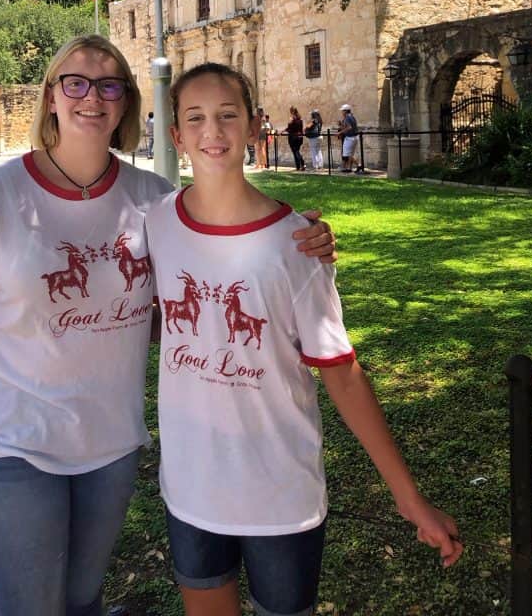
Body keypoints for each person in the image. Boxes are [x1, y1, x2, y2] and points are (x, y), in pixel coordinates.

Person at [0, 35, 337, 616]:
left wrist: (300, 237)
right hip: (8, 443)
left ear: (126, 103)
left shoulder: (151, 200)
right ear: (51, 96)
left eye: (110, 84)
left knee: (82, 603)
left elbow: (197, 282)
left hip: (109, 446)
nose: (92, 96)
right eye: (75, 82)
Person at [148, 63, 462, 616]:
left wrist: (409, 498)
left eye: (228, 115)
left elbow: (340, 371)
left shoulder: (295, 244)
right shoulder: (156, 226)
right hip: (191, 488)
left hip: (279, 494)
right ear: (176, 135)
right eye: (195, 118)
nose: (212, 131)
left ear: (253, 128)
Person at [337, 104, 359, 173]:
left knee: (346, 153)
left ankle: (358, 165)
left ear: (346, 111)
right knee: (350, 154)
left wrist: (340, 132)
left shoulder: (347, 117)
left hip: (349, 137)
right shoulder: (352, 117)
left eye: (343, 111)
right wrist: (341, 125)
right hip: (354, 137)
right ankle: (349, 168)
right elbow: (348, 127)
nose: (342, 112)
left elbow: (349, 127)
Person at [285, 106, 304, 171]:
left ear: (292, 111)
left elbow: (290, 128)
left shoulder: (292, 119)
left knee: (295, 152)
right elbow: (301, 129)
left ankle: (300, 165)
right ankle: (300, 165)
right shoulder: (300, 119)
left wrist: (284, 130)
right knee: (297, 151)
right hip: (299, 137)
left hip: (293, 137)